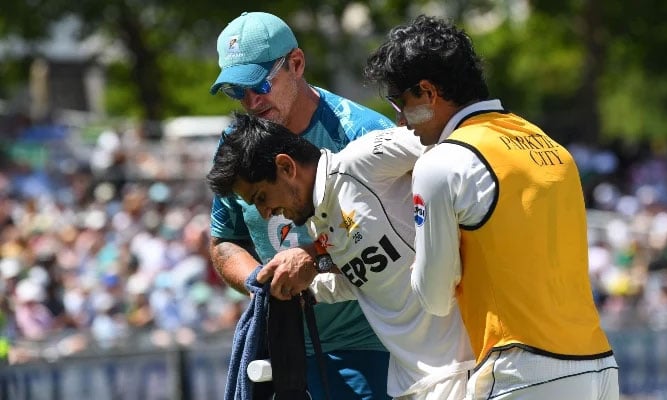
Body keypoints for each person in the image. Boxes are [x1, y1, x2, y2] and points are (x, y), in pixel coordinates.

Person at [363, 15, 619, 400]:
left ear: (428, 92)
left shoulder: (441, 162)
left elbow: (433, 298)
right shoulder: (552, 147)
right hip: (598, 365)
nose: (399, 119)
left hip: (522, 370)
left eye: (401, 102)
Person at [207, 113, 474, 399]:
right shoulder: (316, 223)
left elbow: (458, 148)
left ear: (286, 167)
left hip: (469, 367)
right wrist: (306, 291)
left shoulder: (363, 158)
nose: (265, 213)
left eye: (261, 197)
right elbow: (367, 280)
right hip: (413, 381)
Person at [209, 11, 394, 399]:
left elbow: (404, 233)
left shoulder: (365, 135)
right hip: (282, 345)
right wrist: (258, 281)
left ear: (296, 63)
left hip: (372, 344)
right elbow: (225, 242)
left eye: (258, 83)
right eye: (236, 91)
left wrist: (313, 257)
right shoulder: (235, 145)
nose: (251, 101)